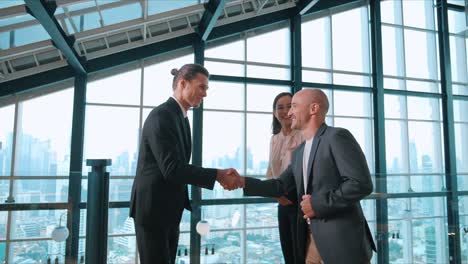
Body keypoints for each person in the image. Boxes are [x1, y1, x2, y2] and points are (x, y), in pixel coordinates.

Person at [235, 89, 376, 264]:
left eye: (294, 106)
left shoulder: (337, 136)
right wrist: (241, 181)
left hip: (341, 243)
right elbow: (280, 186)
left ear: (313, 108)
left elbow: (360, 183)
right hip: (309, 242)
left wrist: (317, 204)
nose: (289, 112)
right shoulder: (299, 152)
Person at [129, 64, 239, 264]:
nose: (205, 94)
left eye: (206, 88)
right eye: (202, 87)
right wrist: (217, 175)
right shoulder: (163, 116)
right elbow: (172, 169)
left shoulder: (180, 117)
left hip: (167, 208)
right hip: (153, 210)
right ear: (182, 83)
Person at [266, 92, 304, 264]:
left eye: (290, 106)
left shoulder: (303, 136)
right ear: (274, 113)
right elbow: (270, 172)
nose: (285, 110)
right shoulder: (274, 139)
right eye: (280, 107)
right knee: (288, 253)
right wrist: (276, 195)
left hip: (301, 203)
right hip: (281, 201)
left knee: (300, 254)